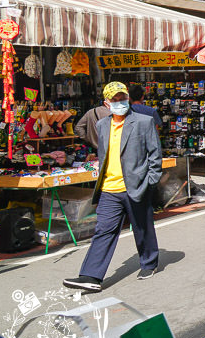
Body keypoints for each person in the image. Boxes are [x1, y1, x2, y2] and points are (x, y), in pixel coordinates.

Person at [64, 82, 163, 291]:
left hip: (136, 186)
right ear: (106, 104)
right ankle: (91, 276)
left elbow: (155, 156)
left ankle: (149, 262)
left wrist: (150, 182)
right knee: (103, 230)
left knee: (142, 227)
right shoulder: (102, 125)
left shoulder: (143, 122)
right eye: (115, 100)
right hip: (109, 188)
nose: (120, 103)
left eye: (123, 99)